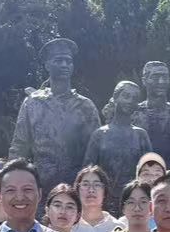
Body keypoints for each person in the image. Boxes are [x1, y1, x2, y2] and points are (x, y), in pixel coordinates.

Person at [8, 37, 102, 191]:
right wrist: (14, 182)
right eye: (58, 60)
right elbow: (19, 147)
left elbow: (94, 153)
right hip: (41, 187)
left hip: (75, 189)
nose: (64, 65)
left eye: (68, 61)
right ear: (47, 65)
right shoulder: (32, 103)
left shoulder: (86, 106)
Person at [82, 81, 153, 198]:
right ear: (115, 98)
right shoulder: (100, 135)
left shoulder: (141, 135)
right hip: (104, 199)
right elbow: (87, 173)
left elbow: (149, 173)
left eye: (134, 98)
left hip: (132, 200)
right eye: (126, 96)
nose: (130, 101)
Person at [72, 165, 121, 232]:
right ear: (77, 190)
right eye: (85, 184)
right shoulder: (69, 226)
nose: (91, 190)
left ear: (104, 191)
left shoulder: (117, 227)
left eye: (97, 185)